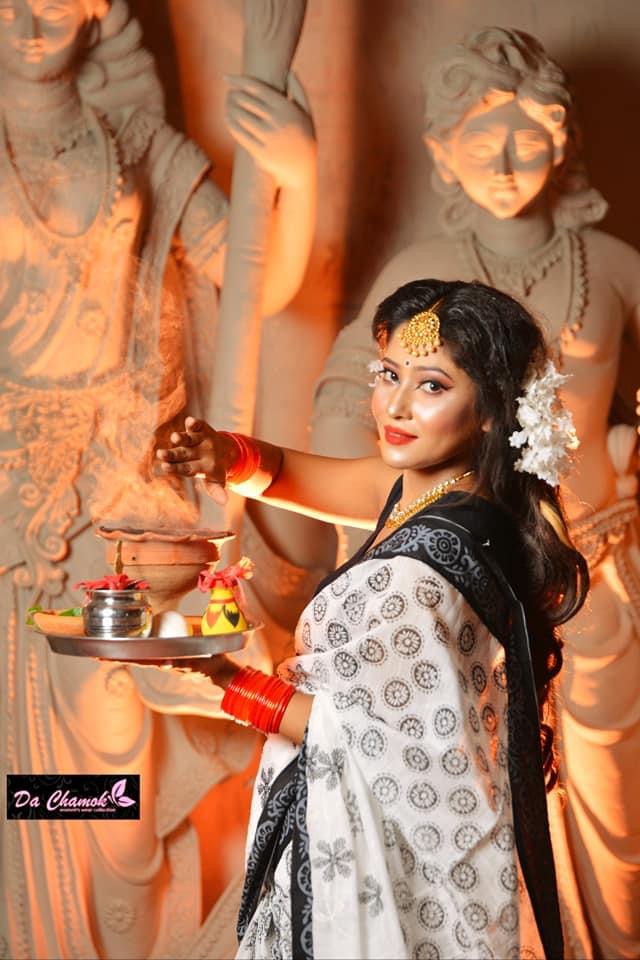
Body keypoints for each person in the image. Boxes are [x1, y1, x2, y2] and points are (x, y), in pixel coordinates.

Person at [309, 27, 640, 958]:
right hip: (461, 578)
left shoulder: (610, 264)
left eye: (527, 138)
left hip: (596, 570)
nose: (504, 161)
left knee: (614, 807)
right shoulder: (421, 275)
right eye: (480, 138)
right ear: (442, 150)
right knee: (467, 787)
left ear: (562, 144)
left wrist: (629, 448)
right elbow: (350, 399)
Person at [0, 1, 318, 956]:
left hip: (117, 485)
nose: (27, 22)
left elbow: (262, 282)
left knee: (109, 765)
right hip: (8, 485)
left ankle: (117, 927)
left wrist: (296, 174)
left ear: (96, 12)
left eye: (52, 1)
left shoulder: (136, 145)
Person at [157, 278, 588, 959]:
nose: (396, 405)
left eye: (432, 386)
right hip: (398, 844)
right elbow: (289, 473)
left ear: (490, 411)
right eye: (389, 374)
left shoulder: (420, 577)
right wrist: (223, 454)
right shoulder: (438, 492)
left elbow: (361, 738)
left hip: (387, 873)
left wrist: (222, 678)